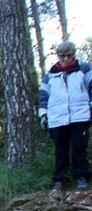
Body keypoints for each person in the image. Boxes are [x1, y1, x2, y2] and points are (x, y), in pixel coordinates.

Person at [38, 41, 92, 191]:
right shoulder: (50, 75)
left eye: (69, 55)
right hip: (57, 118)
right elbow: (44, 96)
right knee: (60, 150)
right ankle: (60, 180)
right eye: (62, 56)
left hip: (80, 116)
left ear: (73, 54)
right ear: (58, 56)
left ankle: (81, 177)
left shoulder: (84, 69)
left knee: (79, 148)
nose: (66, 59)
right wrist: (43, 115)